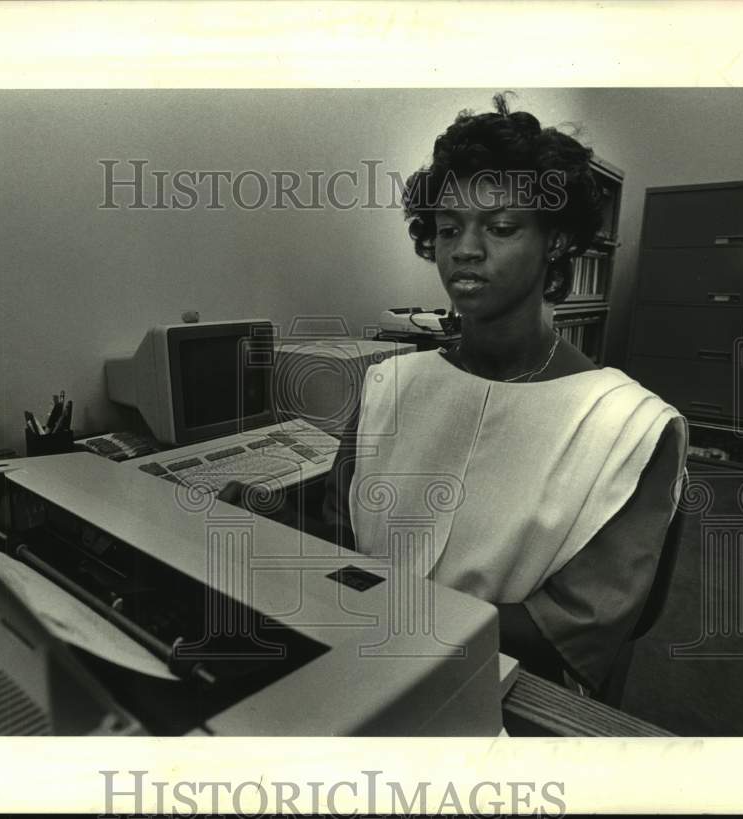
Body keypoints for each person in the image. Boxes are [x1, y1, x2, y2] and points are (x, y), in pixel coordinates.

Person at [226, 95, 687, 697]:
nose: (464, 249)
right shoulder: (393, 384)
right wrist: (271, 519)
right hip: (364, 664)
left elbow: (569, 632)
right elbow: (345, 536)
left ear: (555, 243)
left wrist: (389, 606)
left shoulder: (632, 428)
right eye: (448, 229)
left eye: (500, 228)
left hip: (501, 698)